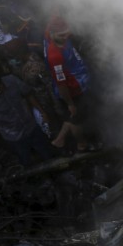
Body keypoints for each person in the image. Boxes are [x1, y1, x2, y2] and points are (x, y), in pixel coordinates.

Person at [0, 69, 56, 166]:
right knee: (26, 163)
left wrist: (42, 112)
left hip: (31, 127)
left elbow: (28, 95)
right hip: (14, 137)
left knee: (48, 154)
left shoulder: (12, 81)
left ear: (0, 86)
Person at [42, 15, 93, 150]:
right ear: (52, 34)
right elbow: (61, 84)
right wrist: (70, 103)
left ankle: (59, 140)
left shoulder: (51, 32)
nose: (65, 37)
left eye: (66, 33)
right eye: (61, 35)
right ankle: (82, 144)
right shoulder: (55, 56)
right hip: (73, 91)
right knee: (76, 120)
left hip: (79, 84)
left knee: (74, 116)